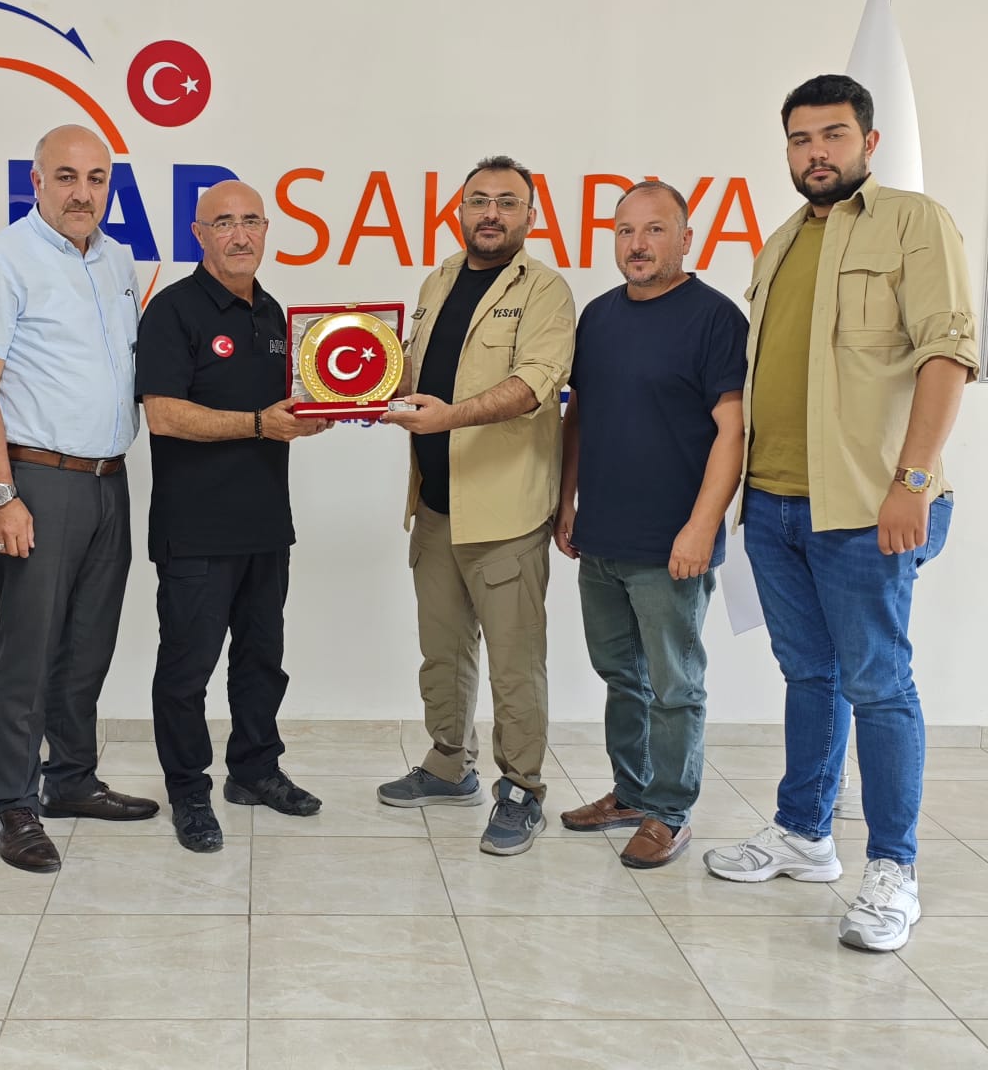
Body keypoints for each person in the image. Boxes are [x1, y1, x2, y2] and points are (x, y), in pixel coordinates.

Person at [700, 74, 976, 953]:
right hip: (775, 502)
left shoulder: (913, 223)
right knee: (808, 675)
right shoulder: (781, 241)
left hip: (867, 504)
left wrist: (913, 480)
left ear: (869, 141)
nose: (816, 152)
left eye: (833, 135)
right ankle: (804, 834)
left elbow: (946, 355)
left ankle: (893, 869)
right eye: (800, 139)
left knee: (879, 684)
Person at [0, 124, 159, 875]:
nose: (82, 192)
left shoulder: (118, 260)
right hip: (36, 479)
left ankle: (71, 778)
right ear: (35, 183)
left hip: (110, 478)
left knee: (88, 644)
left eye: (96, 178)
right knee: (29, 649)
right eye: (65, 177)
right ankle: (12, 802)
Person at [375, 155, 575, 858]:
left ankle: (521, 789)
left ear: (530, 216)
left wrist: (449, 417)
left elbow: (533, 384)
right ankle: (447, 764)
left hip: (505, 515)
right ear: (459, 211)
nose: (491, 213)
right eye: (479, 201)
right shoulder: (437, 280)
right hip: (435, 508)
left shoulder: (546, 291)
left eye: (507, 202)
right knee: (442, 651)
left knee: (514, 665)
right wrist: (357, 382)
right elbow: (410, 370)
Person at [554, 181, 746, 869]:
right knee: (620, 673)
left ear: (687, 239)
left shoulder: (715, 318)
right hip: (602, 537)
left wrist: (702, 527)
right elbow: (579, 414)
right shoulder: (598, 317)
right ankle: (631, 793)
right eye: (626, 231)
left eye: (655, 230)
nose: (638, 244)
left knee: (675, 685)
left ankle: (669, 812)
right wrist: (567, 500)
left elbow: (733, 432)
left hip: (672, 545)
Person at [134, 180, 329, 852]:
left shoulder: (274, 314)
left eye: (251, 221)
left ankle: (255, 770)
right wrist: (257, 424)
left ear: (267, 230)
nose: (240, 235)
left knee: (262, 659)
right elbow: (164, 414)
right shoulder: (172, 311)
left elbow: (287, 409)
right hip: (195, 529)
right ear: (199, 234)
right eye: (224, 223)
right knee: (186, 670)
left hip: (266, 525)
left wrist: (319, 413)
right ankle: (189, 791)